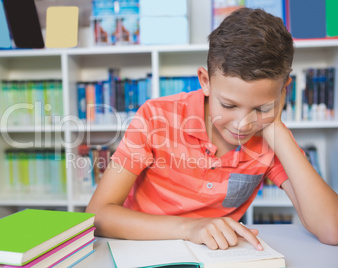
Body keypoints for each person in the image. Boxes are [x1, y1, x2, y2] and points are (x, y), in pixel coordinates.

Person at [86, 8, 338, 250]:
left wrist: (277, 131)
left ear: (284, 92)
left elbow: (332, 230)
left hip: (214, 255)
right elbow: (98, 215)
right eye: (228, 105)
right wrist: (190, 228)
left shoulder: (269, 137)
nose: (243, 124)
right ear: (205, 81)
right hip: (144, 249)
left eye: (261, 108)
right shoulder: (156, 117)